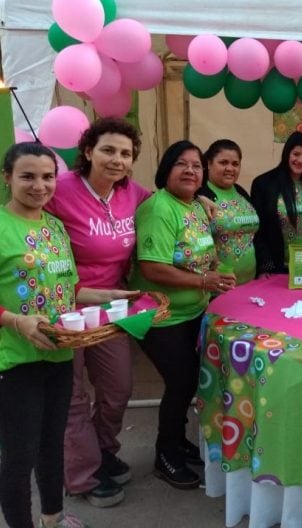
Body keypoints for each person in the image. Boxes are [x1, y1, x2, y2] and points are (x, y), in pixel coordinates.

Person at [0, 118, 151, 508]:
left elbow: (168, 201)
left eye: (125, 152)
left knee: (117, 389)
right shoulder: (59, 189)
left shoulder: (132, 194)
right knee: (68, 402)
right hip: (51, 317)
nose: (117, 159)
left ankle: (99, 453)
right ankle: (82, 474)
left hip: (101, 306)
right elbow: (9, 216)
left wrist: (204, 199)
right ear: (87, 151)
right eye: (107, 150)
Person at [130, 140, 236, 490]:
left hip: (194, 311)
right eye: (181, 164)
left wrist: (215, 268)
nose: (190, 170)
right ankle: (165, 454)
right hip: (162, 316)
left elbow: (199, 252)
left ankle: (176, 441)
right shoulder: (159, 208)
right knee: (181, 382)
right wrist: (205, 279)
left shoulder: (194, 205)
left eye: (196, 165)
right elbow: (153, 267)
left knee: (189, 381)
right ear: (166, 170)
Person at [251, 131, 302, 275]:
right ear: (287, 153)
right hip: (276, 267)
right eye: (296, 154)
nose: (300, 160)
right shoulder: (264, 183)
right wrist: (265, 266)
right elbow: (258, 230)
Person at [200, 139, 259, 285]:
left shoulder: (241, 192)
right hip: (216, 287)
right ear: (208, 163)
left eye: (235, 164)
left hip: (250, 282)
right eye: (223, 162)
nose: (230, 168)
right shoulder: (200, 194)